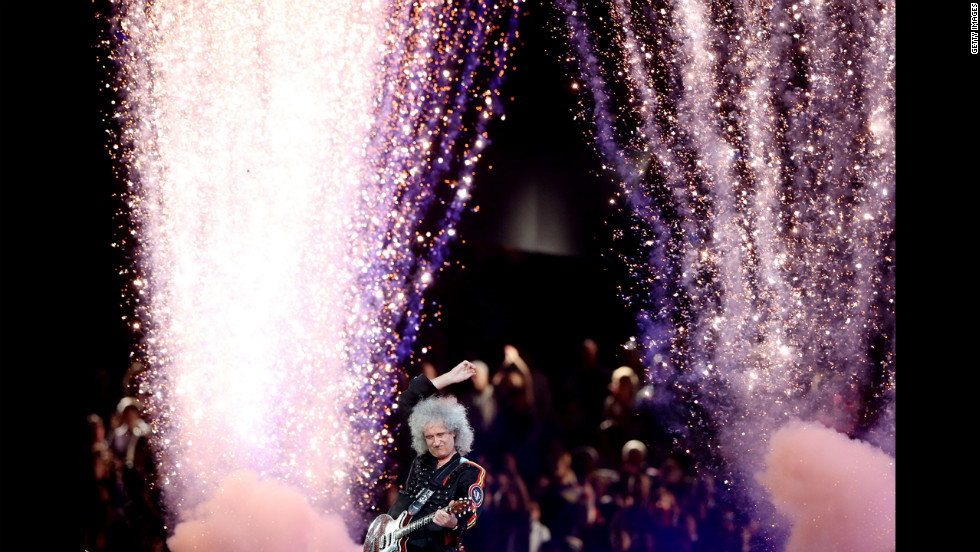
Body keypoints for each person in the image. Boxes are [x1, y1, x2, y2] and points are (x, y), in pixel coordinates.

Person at [386, 360, 488, 552]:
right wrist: (449, 377)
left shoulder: (470, 472)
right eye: (430, 436)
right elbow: (407, 400)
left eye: (441, 434)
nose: (436, 442)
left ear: (454, 432)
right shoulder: (419, 456)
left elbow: (471, 515)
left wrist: (452, 522)